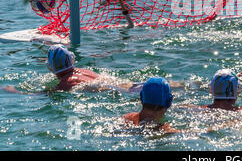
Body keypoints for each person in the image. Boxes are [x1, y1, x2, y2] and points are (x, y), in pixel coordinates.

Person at [1, 44, 181, 93]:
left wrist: (15, 91)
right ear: (71, 60)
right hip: (126, 83)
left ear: (51, 67)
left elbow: (44, 94)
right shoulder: (83, 71)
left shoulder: (66, 82)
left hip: (118, 92)